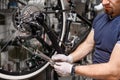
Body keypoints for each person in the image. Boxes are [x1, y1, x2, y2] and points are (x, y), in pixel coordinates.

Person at [52, 0, 120, 79]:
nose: (104, 2)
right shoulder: (101, 18)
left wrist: (72, 69)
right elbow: (88, 44)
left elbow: (114, 72)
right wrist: (69, 58)